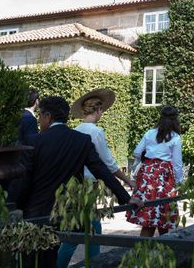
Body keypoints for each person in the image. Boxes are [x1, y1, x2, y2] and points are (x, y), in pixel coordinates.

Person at [15, 96, 135, 267]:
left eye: (40, 115)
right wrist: (126, 197)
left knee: (31, 261)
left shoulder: (34, 141)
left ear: (48, 116)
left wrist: (16, 205)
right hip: (64, 212)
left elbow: (24, 180)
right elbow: (102, 170)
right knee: (52, 256)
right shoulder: (81, 140)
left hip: (37, 213)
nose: (39, 120)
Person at [56, 89, 133, 268]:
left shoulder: (75, 130)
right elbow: (108, 163)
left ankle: (92, 262)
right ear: (98, 111)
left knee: (90, 227)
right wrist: (128, 180)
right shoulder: (96, 131)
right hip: (89, 185)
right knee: (78, 233)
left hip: (73, 184)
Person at [127, 105, 184, 237]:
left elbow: (136, 152)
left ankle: (143, 252)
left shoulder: (149, 133)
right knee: (163, 215)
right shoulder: (175, 137)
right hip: (164, 177)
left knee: (148, 213)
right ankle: (157, 251)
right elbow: (177, 164)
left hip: (147, 173)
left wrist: (146, 160)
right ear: (175, 120)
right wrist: (180, 182)